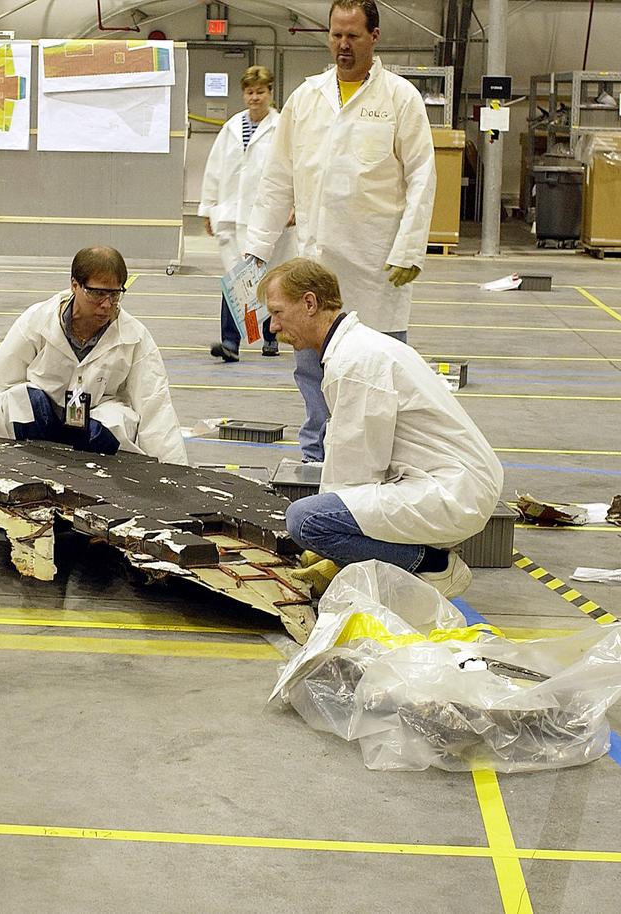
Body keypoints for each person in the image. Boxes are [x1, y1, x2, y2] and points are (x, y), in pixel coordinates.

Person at [244, 0, 436, 462]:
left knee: (381, 373)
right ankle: (317, 458)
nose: (343, 46)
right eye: (335, 35)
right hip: (316, 264)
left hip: (376, 267)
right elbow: (277, 179)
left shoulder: (399, 98)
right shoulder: (307, 98)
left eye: (352, 36)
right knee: (312, 369)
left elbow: (423, 175)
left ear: (375, 36)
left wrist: (409, 248)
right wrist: (255, 250)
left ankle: (383, 461)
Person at [261, 258, 502, 599]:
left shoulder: (354, 363)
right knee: (320, 519)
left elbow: (353, 474)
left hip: (452, 491)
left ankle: (433, 565)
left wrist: (331, 549)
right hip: (451, 482)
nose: (272, 326)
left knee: (304, 521)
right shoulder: (359, 347)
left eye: (278, 312)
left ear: (310, 303)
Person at [0, 245, 188, 465]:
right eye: (97, 293)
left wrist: (175, 474)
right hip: (41, 424)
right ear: (75, 285)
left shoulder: (134, 337)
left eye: (115, 295)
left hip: (94, 430)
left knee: (116, 422)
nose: (106, 305)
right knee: (18, 401)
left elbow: (156, 405)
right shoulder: (38, 320)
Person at [198, 65, 293, 362]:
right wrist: (208, 208)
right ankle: (231, 342)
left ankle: (271, 337)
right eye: (250, 92)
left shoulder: (282, 128)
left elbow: (295, 169)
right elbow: (214, 169)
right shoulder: (231, 128)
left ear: (270, 93)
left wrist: (295, 206)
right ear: (244, 94)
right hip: (231, 213)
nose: (255, 98)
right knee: (235, 280)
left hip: (268, 215)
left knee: (268, 280)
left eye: (261, 92)